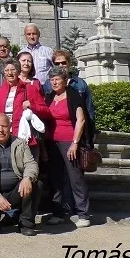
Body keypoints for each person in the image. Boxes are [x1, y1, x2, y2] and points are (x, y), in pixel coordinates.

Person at [45, 66, 92, 228]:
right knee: (55, 179)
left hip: (69, 142)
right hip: (52, 143)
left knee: (76, 178)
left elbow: (81, 120)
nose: (54, 82)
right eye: (52, 80)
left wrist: (75, 143)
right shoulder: (50, 97)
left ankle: (83, 214)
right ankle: (58, 213)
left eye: (57, 79)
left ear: (65, 80)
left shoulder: (73, 96)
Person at [0, 59, 50, 155]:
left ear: (18, 71)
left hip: (25, 139)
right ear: (3, 73)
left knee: (29, 168)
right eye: (6, 70)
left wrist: (32, 105)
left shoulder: (29, 88)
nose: (10, 73)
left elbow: (46, 111)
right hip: (4, 139)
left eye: (13, 70)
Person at [42, 50, 96, 123]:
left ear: (69, 63)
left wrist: (90, 129)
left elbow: (89, 108)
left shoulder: (80, 84)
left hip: (77, 125)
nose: (60, 65)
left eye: (63, 63)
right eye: (57, 64)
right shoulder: (48, 84)